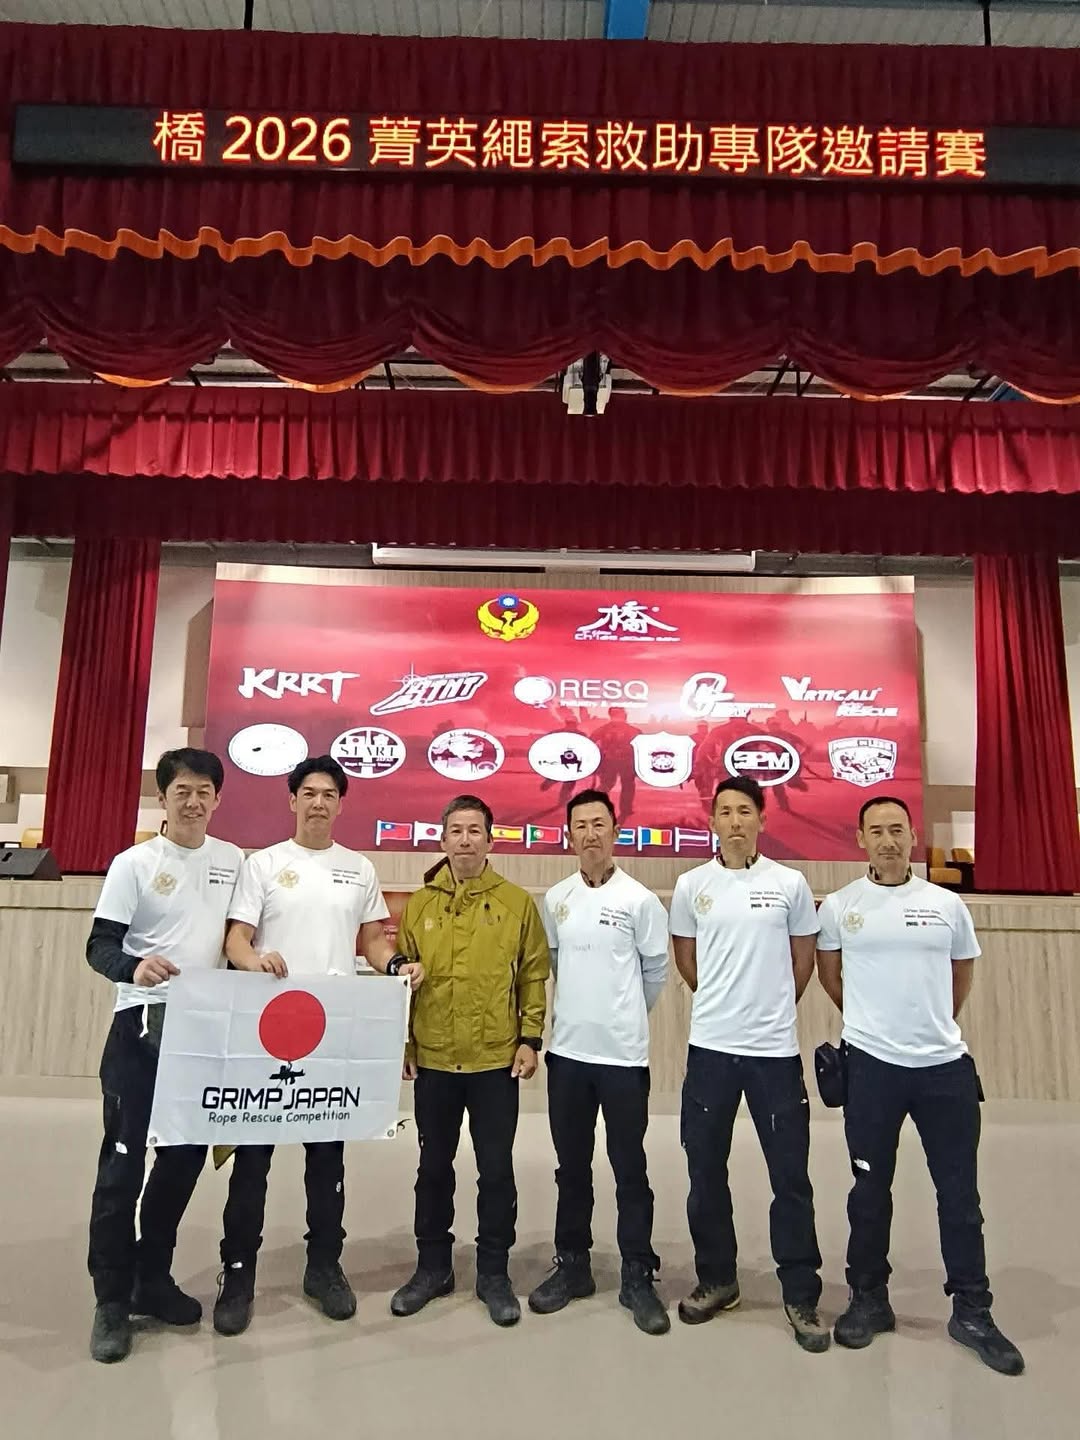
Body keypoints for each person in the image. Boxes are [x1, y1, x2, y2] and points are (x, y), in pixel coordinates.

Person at [213, 755, 423, 1337]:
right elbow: (236, 940)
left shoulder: (358, 869)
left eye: (329, 794)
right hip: (268, 1031)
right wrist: (255, 961)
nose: (318, 802)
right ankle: (238, 1272)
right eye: (308, 792)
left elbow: (372, 942)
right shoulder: (263, 864)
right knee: (252, 1158)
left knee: (327, 1158)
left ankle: (324, 1266)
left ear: (340, 804)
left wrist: (396, 965)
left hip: (331, 1035)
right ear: (292, 800)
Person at [816, 796, 1024, 1375]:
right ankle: (868, 1298)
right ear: (860, 839)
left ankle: (973, 1311)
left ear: (912, 836)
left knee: (960, 1196)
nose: (888, 840)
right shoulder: (840, 907)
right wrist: (873, 1026)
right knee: (868, 1191)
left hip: (944, 1069)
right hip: (871, 1069)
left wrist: (932, 1025)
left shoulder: (947, 904)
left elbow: (962, 972)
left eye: (897, 830)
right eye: (876, 831)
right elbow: (831, 977)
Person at [85, 748, 243, 1364]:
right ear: (163, 798)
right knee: (122, 1166)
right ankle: (110, 1298)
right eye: (183, 791)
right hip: (139, 1030)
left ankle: (152, 1278)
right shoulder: (134, 864)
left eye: (205, 791)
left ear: (218, 799)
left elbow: (238, 940)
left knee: (182, 1162)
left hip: (201, 1034)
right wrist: (135, 967)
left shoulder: (233, 861)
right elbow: (99, 946)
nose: (194, 801)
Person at [669, 774, 829, 1352]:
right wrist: (722, 1004)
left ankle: (801, 1293)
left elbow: (803, 959)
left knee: (790, 1177)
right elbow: (686, 957)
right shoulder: (692, 885)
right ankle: (718, 1278)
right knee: (705, 1171)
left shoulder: (789, 884)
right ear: (711, 821)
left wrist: (772, 1008)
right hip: (711, 1050)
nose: (735, 821)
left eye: (745, 811)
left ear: (761, 818)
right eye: (725, 812)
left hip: (774, 1054)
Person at [390, 795, 549, 1327]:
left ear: (489, 839)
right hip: (434, 1061)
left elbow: (533, 975)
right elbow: (402, 984)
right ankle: (432, 1267)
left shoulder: (516, 904)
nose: (464, 840)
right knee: (432, 1168)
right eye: (455, 830)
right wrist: (407, 1044)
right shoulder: (420, 905)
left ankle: (494, 1273)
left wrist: (530, 1038)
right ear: (442, 839)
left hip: (494, 1062)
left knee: (496, 1170)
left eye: (474, 830)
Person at [529, 789, 671, 1335]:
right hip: (568, 1056)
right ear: (569, 836)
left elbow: (654, 973)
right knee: (571, 1168)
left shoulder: (640, 900)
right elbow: (555, 962)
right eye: (580, 826)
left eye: (599, 824)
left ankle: (637, 1274)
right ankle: (573, 1265)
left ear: (615, 832)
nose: (590, 834)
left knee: (630, 1167)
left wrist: (624, 1015)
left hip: (622, 1059)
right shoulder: (556, 899)